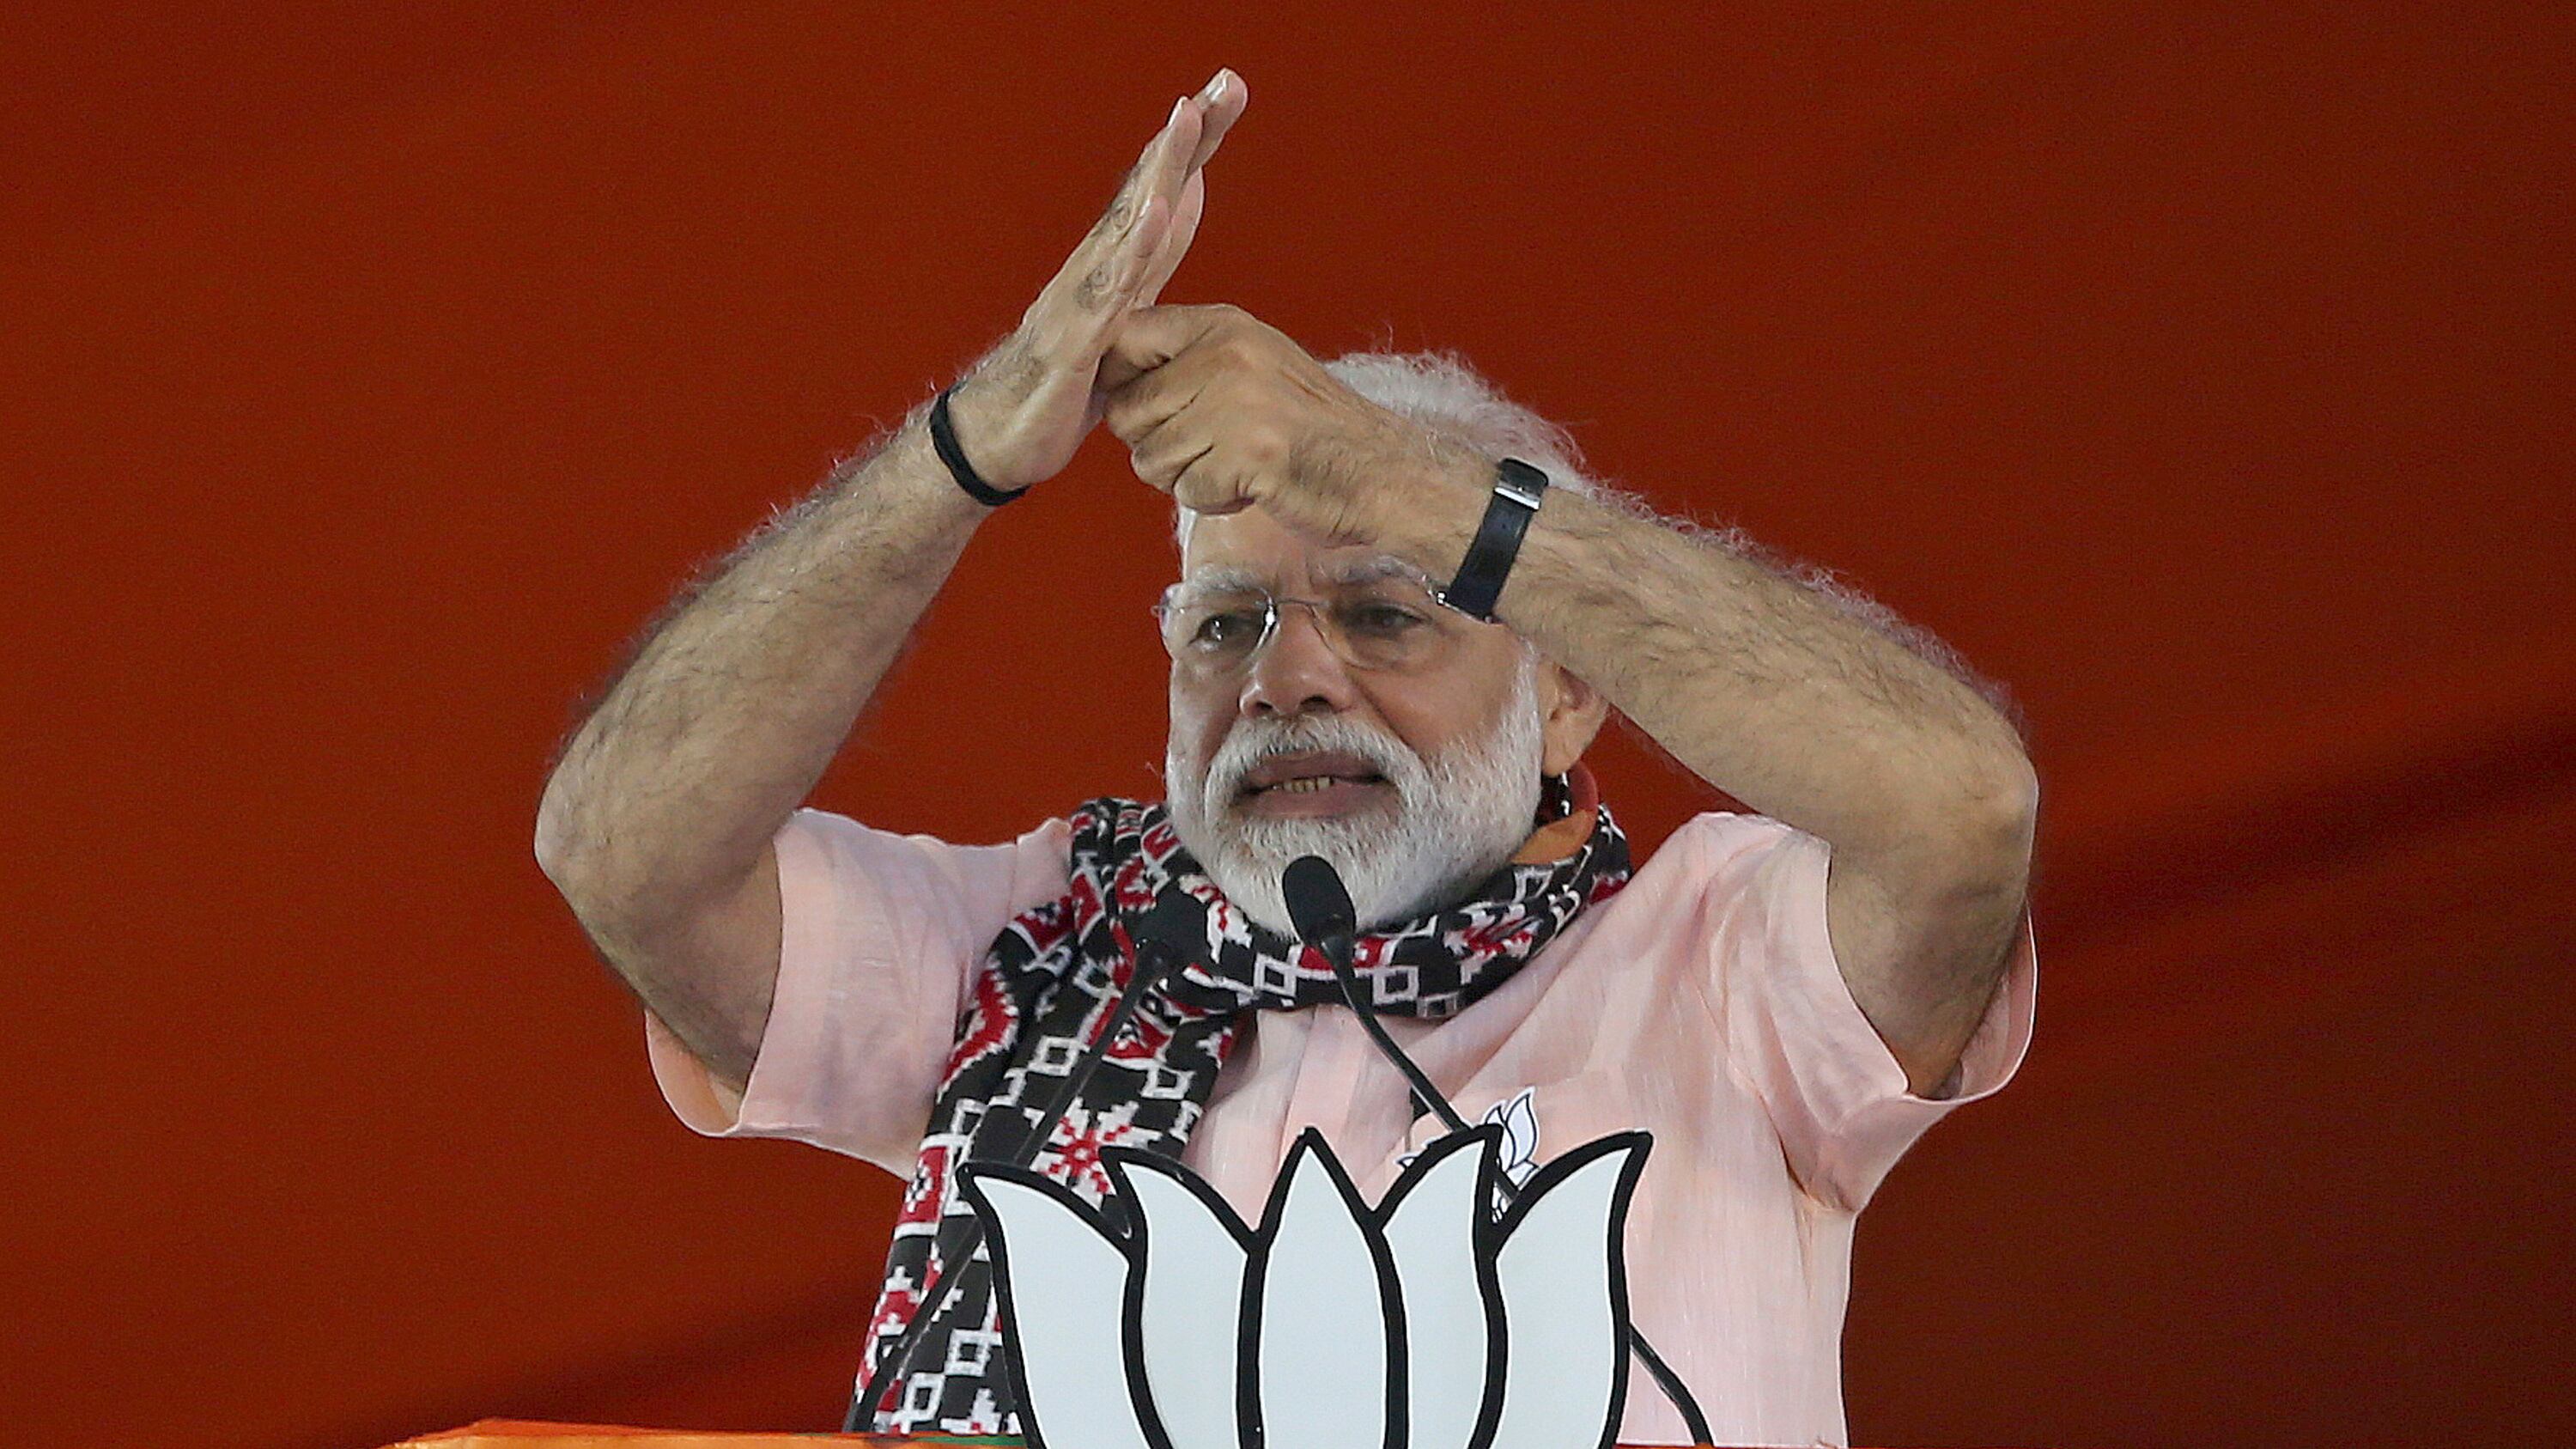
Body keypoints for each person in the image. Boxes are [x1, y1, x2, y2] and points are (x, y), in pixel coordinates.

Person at [535, 68, 2038, 1447]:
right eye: (1224, 625)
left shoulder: (1722, 960)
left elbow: (1963, 808)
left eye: (1385, 615)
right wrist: (965, 451)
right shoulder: (1034, 952)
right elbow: (623, 855)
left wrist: (1402, 483)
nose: (1284, 679)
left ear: (1570, 691)